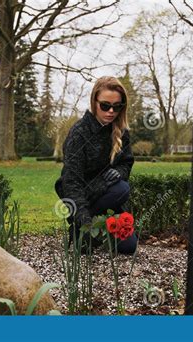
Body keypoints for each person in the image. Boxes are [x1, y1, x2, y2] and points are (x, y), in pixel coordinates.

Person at [54, 76, 137, 254]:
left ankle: (100, 229)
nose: (111, 111)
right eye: (105, 105)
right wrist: (85, 223)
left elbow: (127, 163)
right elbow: (71, 183)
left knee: (129, 247)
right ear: (94, 102)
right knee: (120, 189)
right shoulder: (79, 134)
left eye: (117, 106)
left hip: (110, 201)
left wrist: (118, 172)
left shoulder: (122, 131)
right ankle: (79, 228)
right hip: (83, 197)